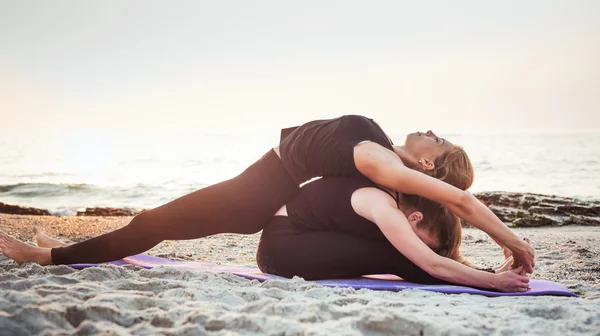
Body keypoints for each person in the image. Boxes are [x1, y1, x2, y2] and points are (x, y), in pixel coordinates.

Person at [0, 115, 534, 272]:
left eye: (438, 142)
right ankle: (59, 246)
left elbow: (462, 202)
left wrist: (515, 243)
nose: (431, 128)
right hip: (262, 182)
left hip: (253, 196)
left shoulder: (379, 162)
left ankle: (46, 254)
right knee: (156, 221)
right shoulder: (383, 154)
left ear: (425, 165)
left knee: (155, 222)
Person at [257, 176, 530, 292]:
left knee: (394, 254)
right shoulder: (383, 206)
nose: (420, 247)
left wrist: (500, 254)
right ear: (415, 218)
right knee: (394, 255)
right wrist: (493, 281)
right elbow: (430, 263)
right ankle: (489, 273)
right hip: (281, 249)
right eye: (424, 242)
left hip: (293, 241)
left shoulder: (391, 194)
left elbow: (463, 204)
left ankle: (487, 271)